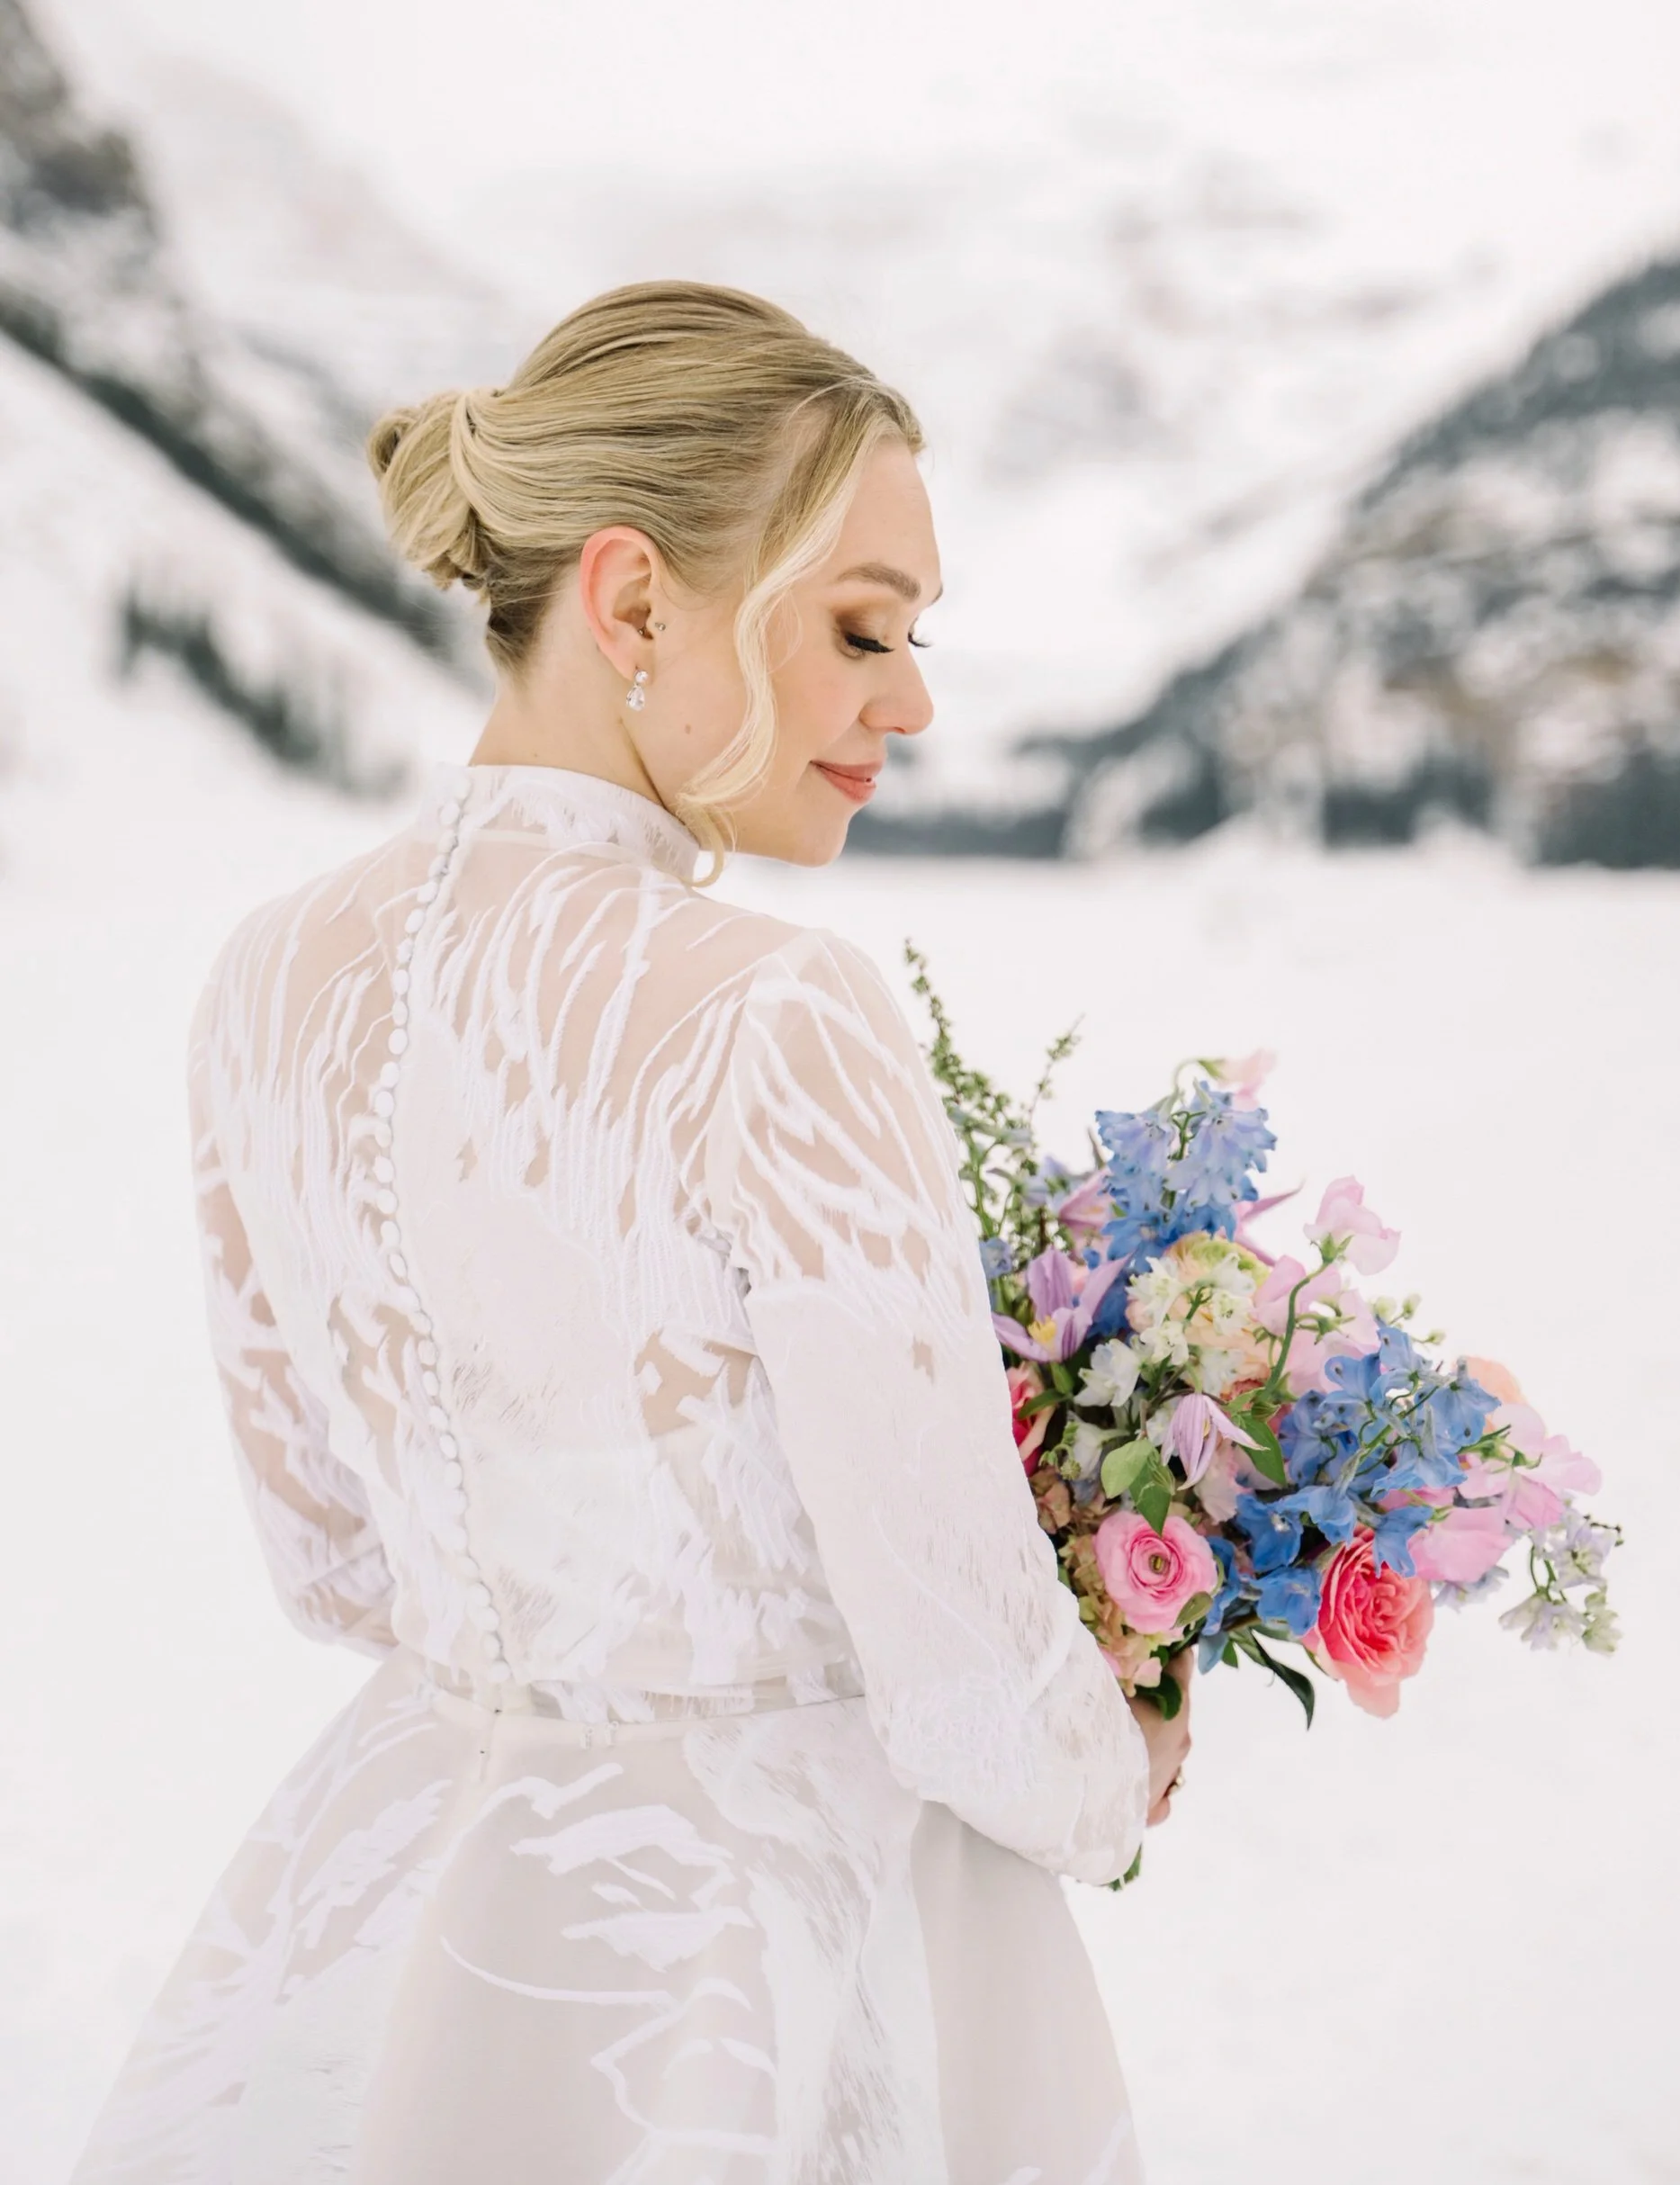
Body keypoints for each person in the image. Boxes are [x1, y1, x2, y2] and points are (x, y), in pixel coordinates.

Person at [70, 280, 1191, 2185]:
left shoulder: (260, 982)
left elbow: (332, 1560)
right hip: (768, 1962)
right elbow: (960, 1673)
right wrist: (1120, 1745)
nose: (910, 699)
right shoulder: (770, 1012)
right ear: (634, 598)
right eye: (860, 628)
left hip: (415, 1898)